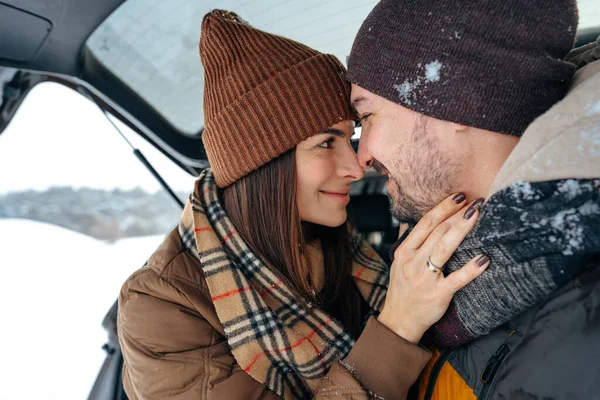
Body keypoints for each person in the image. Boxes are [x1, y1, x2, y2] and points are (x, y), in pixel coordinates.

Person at [117, 10, 490, 400]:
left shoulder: (331, 237)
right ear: (263, 164)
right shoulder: (162, 308)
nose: (355, 168)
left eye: (351, 138)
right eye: (326, 143)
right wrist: (398, 325)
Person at [346, 0, 600, 399]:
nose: (361, 158)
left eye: (366, 116)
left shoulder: (584, 326)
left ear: (452, 97)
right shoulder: (442, 276)